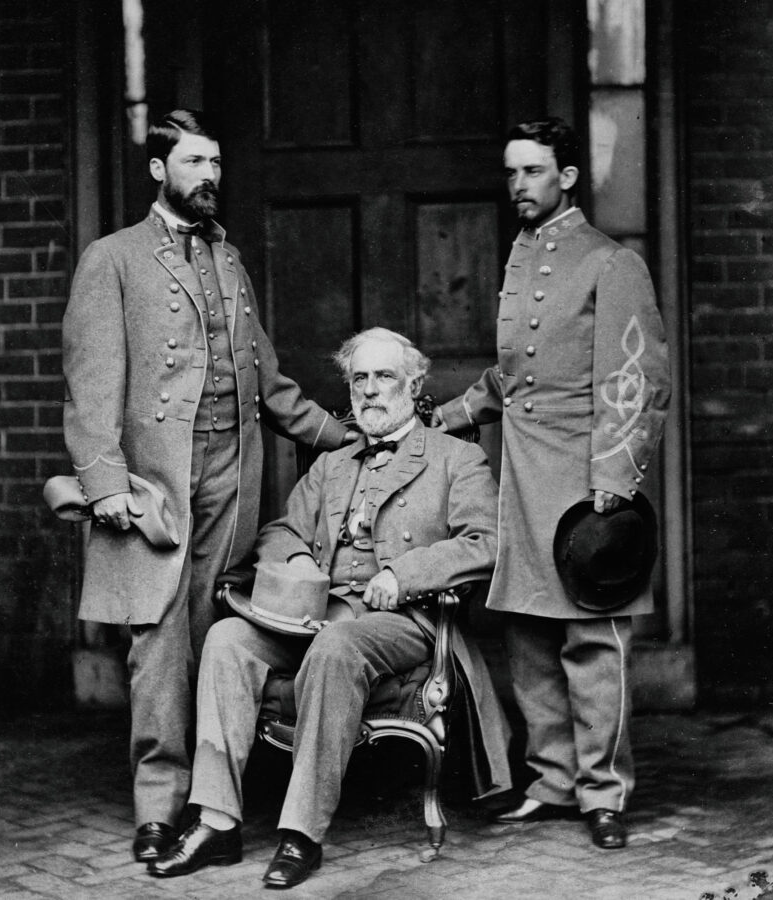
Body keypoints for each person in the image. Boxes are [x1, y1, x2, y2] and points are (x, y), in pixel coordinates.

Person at [61, 109, 351, 862]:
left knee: (218, 632)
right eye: (195, 163)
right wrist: (105, 484)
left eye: (216, 163)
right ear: (158, 171)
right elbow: (90, 389)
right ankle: (157, 805)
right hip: (157, 480)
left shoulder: (230, 260)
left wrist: (343, 435)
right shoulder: (114, 259)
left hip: (232, 470)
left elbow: (270, 384)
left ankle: (211, 805)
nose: (211, 176)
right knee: (159, 641)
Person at [147, 327, 512, 888]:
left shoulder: (455, 459)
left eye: (384, 377)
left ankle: (301, 833)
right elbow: (281, 530)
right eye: (359, 378)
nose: (369, 391)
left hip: (401, 622)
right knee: (226, 640)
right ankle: (217, 820)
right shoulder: (332, 464)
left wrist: (405, 574)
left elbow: (484, 542)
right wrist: (295, 564)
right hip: (316, 616)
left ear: (414, 386)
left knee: (338, 646)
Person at [432, 118, 671, 849]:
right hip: (524, 474)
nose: (517, 187)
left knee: (592, 641)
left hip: (583, 480)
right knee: (531, 635)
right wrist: (451, 414)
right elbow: (517, 379)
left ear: (567, 176)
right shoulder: (522, 254)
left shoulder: (610, 263)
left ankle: (605, 791)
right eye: (511, 173)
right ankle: (554, 781)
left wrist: (615, 477)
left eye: (532, 172)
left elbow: (636, 376)